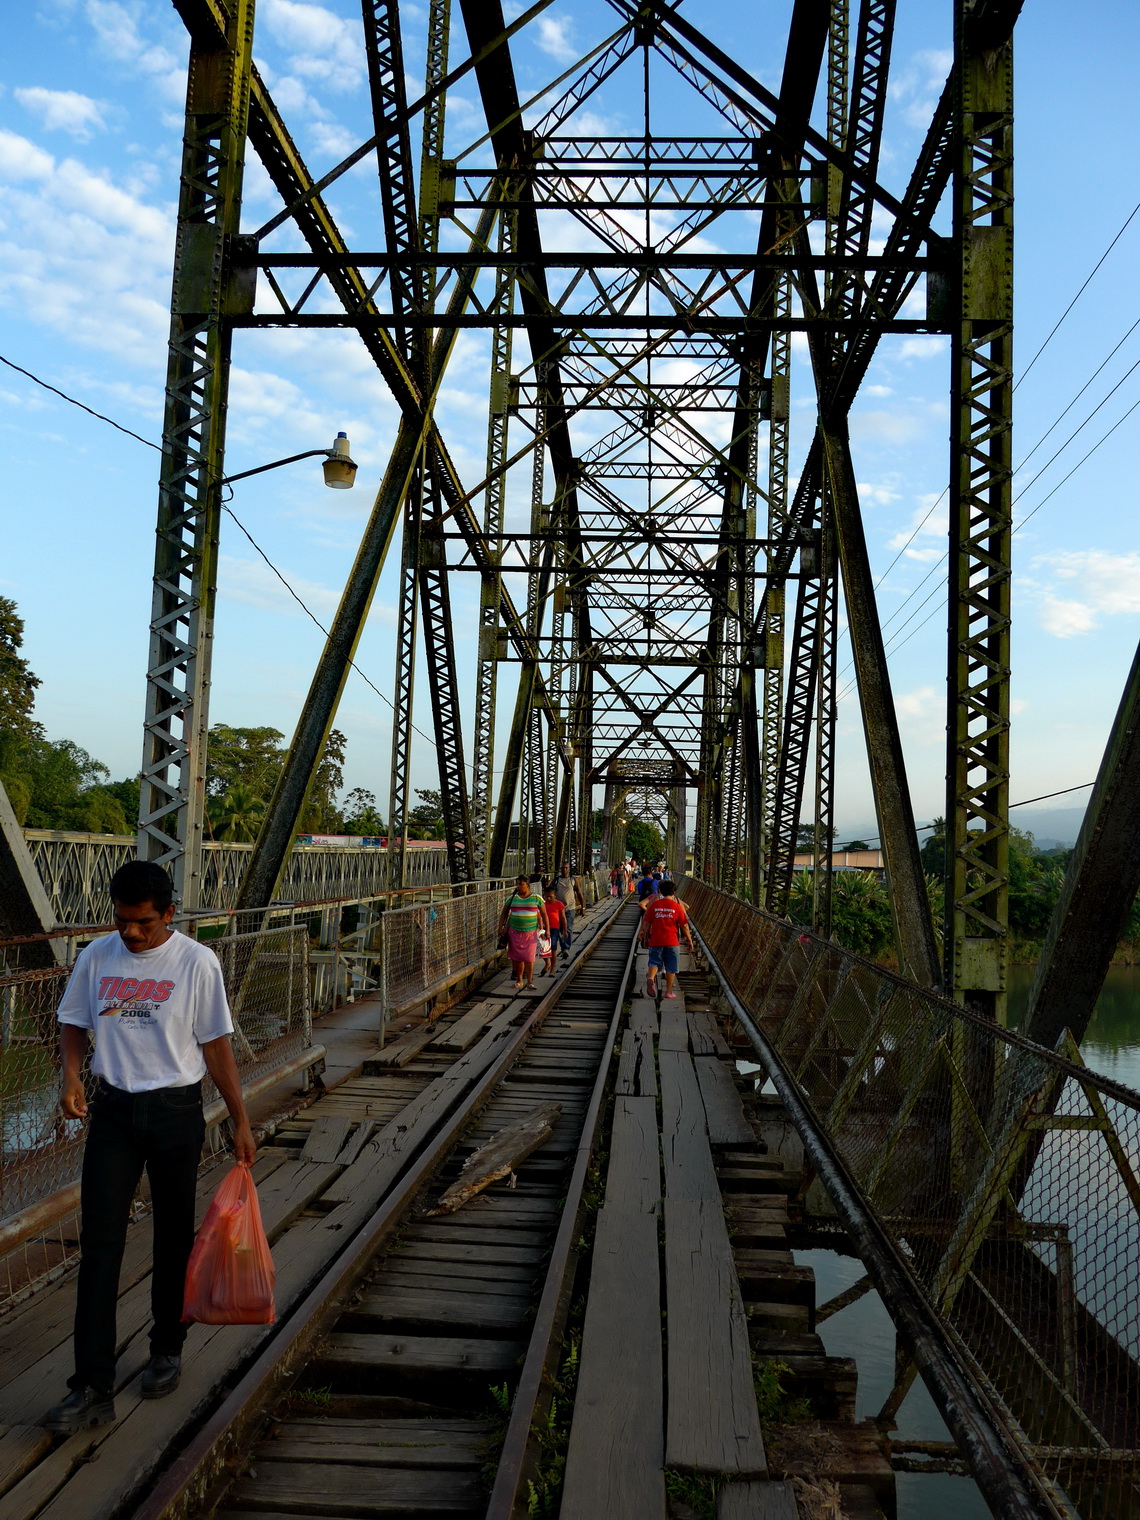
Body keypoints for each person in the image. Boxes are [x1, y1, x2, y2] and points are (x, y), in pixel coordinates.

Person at [46, 861, 255, 1433]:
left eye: (142, 923)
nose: (130, 934)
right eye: (121, 921)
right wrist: (70, 1077)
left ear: (168, 914)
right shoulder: (97, 956)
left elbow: (215, 1047)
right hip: (112, 1111)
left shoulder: (196, 962)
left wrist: (239, 1118)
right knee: (99, 1247)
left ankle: (166, 1346)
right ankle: (91, 1385)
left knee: (173, 1235)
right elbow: (72, 1022)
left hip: (175, 1112)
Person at [640, 880, 695, 1000]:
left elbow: (647, 923)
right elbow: (684, 926)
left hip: (656, 940)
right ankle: (668, 992)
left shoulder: (654, 905)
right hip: (672, 941)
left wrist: (645, 938)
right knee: (671, 967)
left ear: (660, 891)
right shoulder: (677, 906)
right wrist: (689, 940)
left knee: (654, 961)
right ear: (674, 892)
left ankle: (651, 977)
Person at [497, 875, 549, 991]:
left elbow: (544, 915)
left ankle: (530, 981)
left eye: (521, 884)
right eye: (517, 884)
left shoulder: (537, 898)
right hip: (515, 933)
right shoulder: (512, 898)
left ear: (528, 885)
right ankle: (519, 980)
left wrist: (546, 931)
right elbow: (504, 914)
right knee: (518, 958)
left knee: (529, 958)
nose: (518, 886)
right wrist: (500, 928)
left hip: (530, 933)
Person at [551, 863, 585, 960]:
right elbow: (550, 892)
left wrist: (583, 907)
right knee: (560, 929)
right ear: (560, 869)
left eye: (566, 868)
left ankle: (566, 948)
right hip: (558, 909)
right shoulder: (556, 880)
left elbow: (579, 893)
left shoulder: (573, 880)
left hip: (570, 908)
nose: (564, 869)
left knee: (568, 928)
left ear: (569, 869)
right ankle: (563, 947)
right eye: (563, 868)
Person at [543, 886, 567, 972]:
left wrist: (565, 930)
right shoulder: (543, 904)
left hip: (554, 929)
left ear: (555, 896)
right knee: (543, 948)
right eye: (547, 897)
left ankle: (552, 968)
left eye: (551, 897)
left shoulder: (559, 904)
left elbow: (563, 918)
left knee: (553, 947)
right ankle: (547, 963)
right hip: (544, 929)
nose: (549, 899)